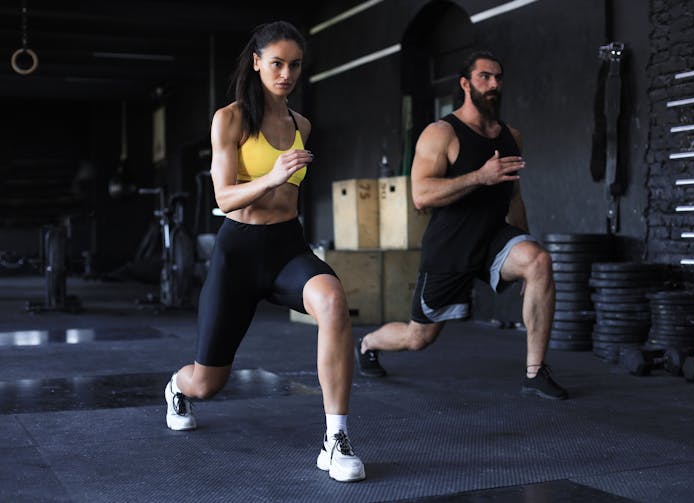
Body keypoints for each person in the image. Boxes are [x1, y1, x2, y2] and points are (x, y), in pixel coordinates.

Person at [163, 21, 365, 482]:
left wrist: (280, 183)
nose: (286, 73)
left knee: (333, 303)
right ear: (257, 63)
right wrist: (272, 176)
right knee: (208, 383)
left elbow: (288, 198)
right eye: (276, 63)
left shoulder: (302, 125)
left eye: (294, 65)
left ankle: (335, 440)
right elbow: (223, 198)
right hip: (238, 253)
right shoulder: (230, 119)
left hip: (286, 248)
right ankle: (177, 387)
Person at [356, 50, 568, 400]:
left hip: (493, 238)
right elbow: (421, 196)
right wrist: (479, 177)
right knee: (418, 338)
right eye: (485, 77)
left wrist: (525, 251)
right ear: (465, 83)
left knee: (539, 261)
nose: (494, 84)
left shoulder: (511, 136)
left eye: (498, 77)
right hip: (450, 246)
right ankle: (367, 343)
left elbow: (514, 197)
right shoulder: (441, 133)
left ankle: (535, 372)